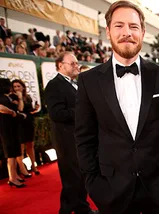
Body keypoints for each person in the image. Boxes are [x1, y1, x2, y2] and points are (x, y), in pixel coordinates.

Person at [74, 1, 159, 214]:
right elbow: (84, 139)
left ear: (143, 32)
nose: (126, 32)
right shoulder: (88, 81)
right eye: (119, 26)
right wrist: (95, 185)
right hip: (111, 193)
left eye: (133, 26)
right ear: (108, 31)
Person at [44, 52, 97, 214]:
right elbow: (57, 114)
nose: (77, 66)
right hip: (66, 140)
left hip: (78, 138)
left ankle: (76, 208)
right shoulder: (54, 85)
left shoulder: (75, 83)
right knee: (72, 177)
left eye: (76, 63)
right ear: (61, 65)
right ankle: (77, 209)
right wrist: (83, 111)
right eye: (73, 63)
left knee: (78, 177)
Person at [0, 78, 27, 188]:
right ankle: (12, 178)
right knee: (10, 153)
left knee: (15, 152)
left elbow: (19, 108)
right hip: (5, 129)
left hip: (12, 128)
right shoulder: (1, 97)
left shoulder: (9, 97)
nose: (11, 88)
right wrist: (12, 112)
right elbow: (1, 108)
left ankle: (15, 175)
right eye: (8, 85)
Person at [11, 79, 41, 175]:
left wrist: (35, 109)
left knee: (30, 145)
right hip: (19, 124)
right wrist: (19, 98)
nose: (16, 88)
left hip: (28, 123)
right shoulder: (13, 98)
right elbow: (20, 109)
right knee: (21, 147)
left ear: (23, 87)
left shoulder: (27, 97)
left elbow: (28, 110)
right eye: (14, 86)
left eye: (18, 86)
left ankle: (33, 165)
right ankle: (22, 169)